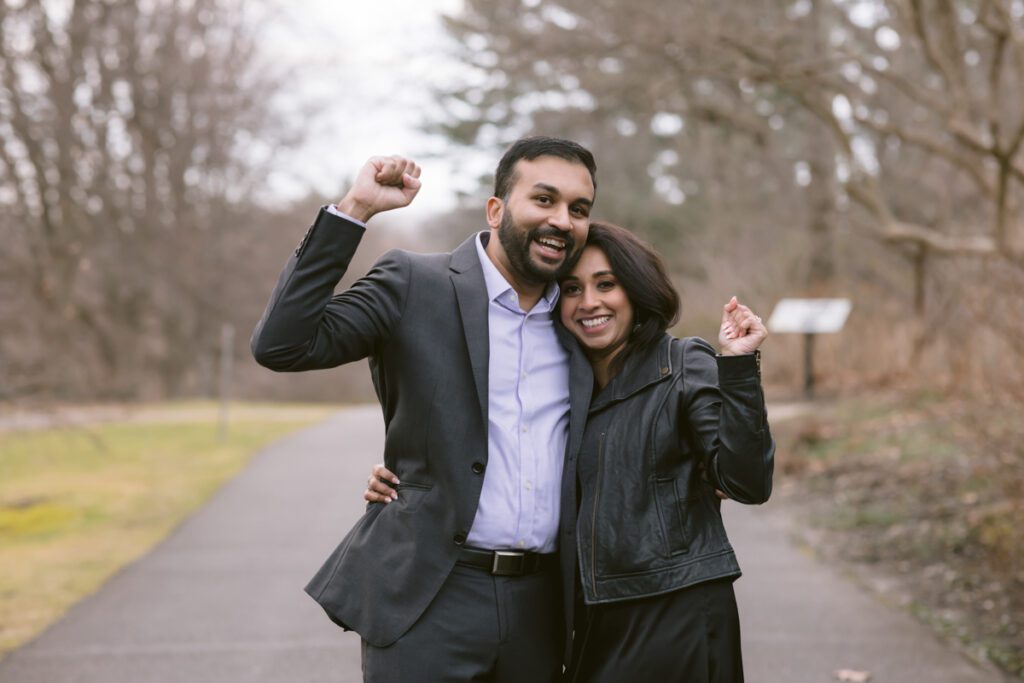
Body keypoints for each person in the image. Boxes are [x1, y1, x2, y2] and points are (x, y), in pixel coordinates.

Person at [250, 137, 598, 681]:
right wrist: (355, 211)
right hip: (429, 598)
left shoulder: (585, 321)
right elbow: (283, 345)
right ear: (497, 209)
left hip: (544, 607)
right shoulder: (415, 283)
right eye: (545, 200)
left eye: (579, 209)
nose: (563, 220)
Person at [368, 221, 774, 681]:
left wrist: (738, 366)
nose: (590, 302)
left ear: (636, 290)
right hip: (588, 618)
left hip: (675, 609)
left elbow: (746, 481)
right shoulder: (562, 388)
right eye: (572, 288)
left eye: (607, 285)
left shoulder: (681, 364)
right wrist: (415, 474)